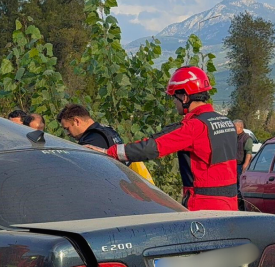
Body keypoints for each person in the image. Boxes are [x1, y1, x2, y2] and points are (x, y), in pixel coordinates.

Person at [93, 66, 238, 212]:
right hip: (231, 205)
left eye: (174, 97)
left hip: (203, 207)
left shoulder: (194, 127)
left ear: (185, 97)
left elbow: (152, 147)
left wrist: (110, 152)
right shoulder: (227, 123)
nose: (174, 103)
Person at [57, 104, 123, 149]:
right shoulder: (109, 130)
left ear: (76, 121)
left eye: (67, 128)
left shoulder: (90, 142)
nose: (67, 133)